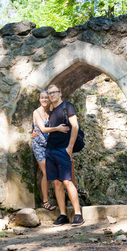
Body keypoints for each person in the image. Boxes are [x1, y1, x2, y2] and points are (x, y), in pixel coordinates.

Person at [45, 84, 84, 226]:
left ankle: (78, 214)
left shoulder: (67, 106)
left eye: (54, 92)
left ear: (60, 93)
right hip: (50, 150)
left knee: (67, 181)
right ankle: (63, 215)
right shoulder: (51, 111)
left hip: (63, 149)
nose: (52, 95)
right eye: (50, 93)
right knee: (56, 182)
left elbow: (75, 126)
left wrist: (69, 148)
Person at [32, 90, 70, 211]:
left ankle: (69, 194)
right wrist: (58, 129)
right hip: (39, 146)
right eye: (42, 98)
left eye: (46, 98)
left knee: (58, 171)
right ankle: (45, 201)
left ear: (49, 99)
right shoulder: (36, 112)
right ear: (39, 99)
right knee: (46, 172)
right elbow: (42, 129)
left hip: (51, 145)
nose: (44, 100)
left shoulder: (51, 111)